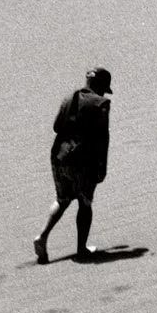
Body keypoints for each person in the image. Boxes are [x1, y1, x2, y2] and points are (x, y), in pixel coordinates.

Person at [35, 67, 113, 263]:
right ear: (100, 86)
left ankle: (42, 236)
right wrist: (102, 166)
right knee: (85, 203)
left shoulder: (69, 97)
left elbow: (56, 127)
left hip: (59, 155)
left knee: (62, 199)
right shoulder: (102, 103)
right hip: (83, 160)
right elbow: (103, 138)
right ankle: (81, 249)